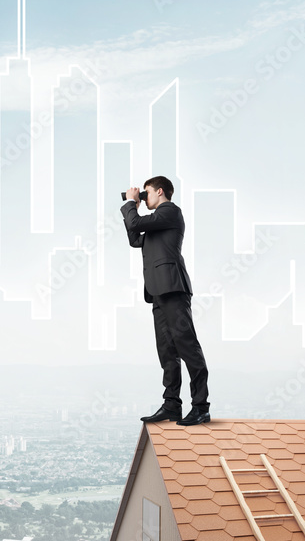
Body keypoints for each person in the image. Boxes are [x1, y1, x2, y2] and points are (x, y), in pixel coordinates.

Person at [121, 176, 210, 426]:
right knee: (167, 351)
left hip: (173, 288)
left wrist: (130, 204)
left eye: (146, 193)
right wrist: (132, 208)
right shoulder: (155, 223)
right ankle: (172, 405)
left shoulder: (170, 211)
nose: (143, 197)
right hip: (158, 290)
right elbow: (134, 238)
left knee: (187, 346)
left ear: (159, 192)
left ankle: (201, 407)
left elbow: (136, 222)